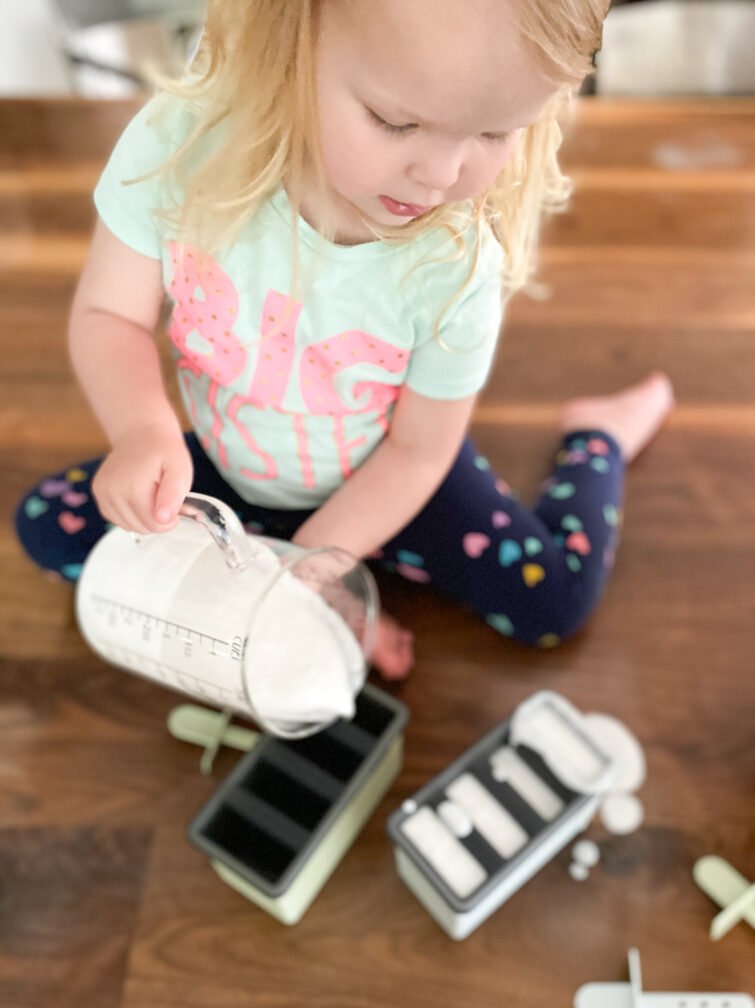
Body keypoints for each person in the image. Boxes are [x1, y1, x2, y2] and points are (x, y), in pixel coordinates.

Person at [15, 0, 674, 682]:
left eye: (494, 132)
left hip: (390, 477)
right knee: (48, 525)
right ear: (289, 44)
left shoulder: (457, 261)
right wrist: (142, 431)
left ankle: (598, 440)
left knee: (554, 603)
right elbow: (108, 314)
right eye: (396, 121)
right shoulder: (179, 147)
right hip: (228, 465)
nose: (442, 175)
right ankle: (323, 583)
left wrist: (313, 567)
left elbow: (420, 451)